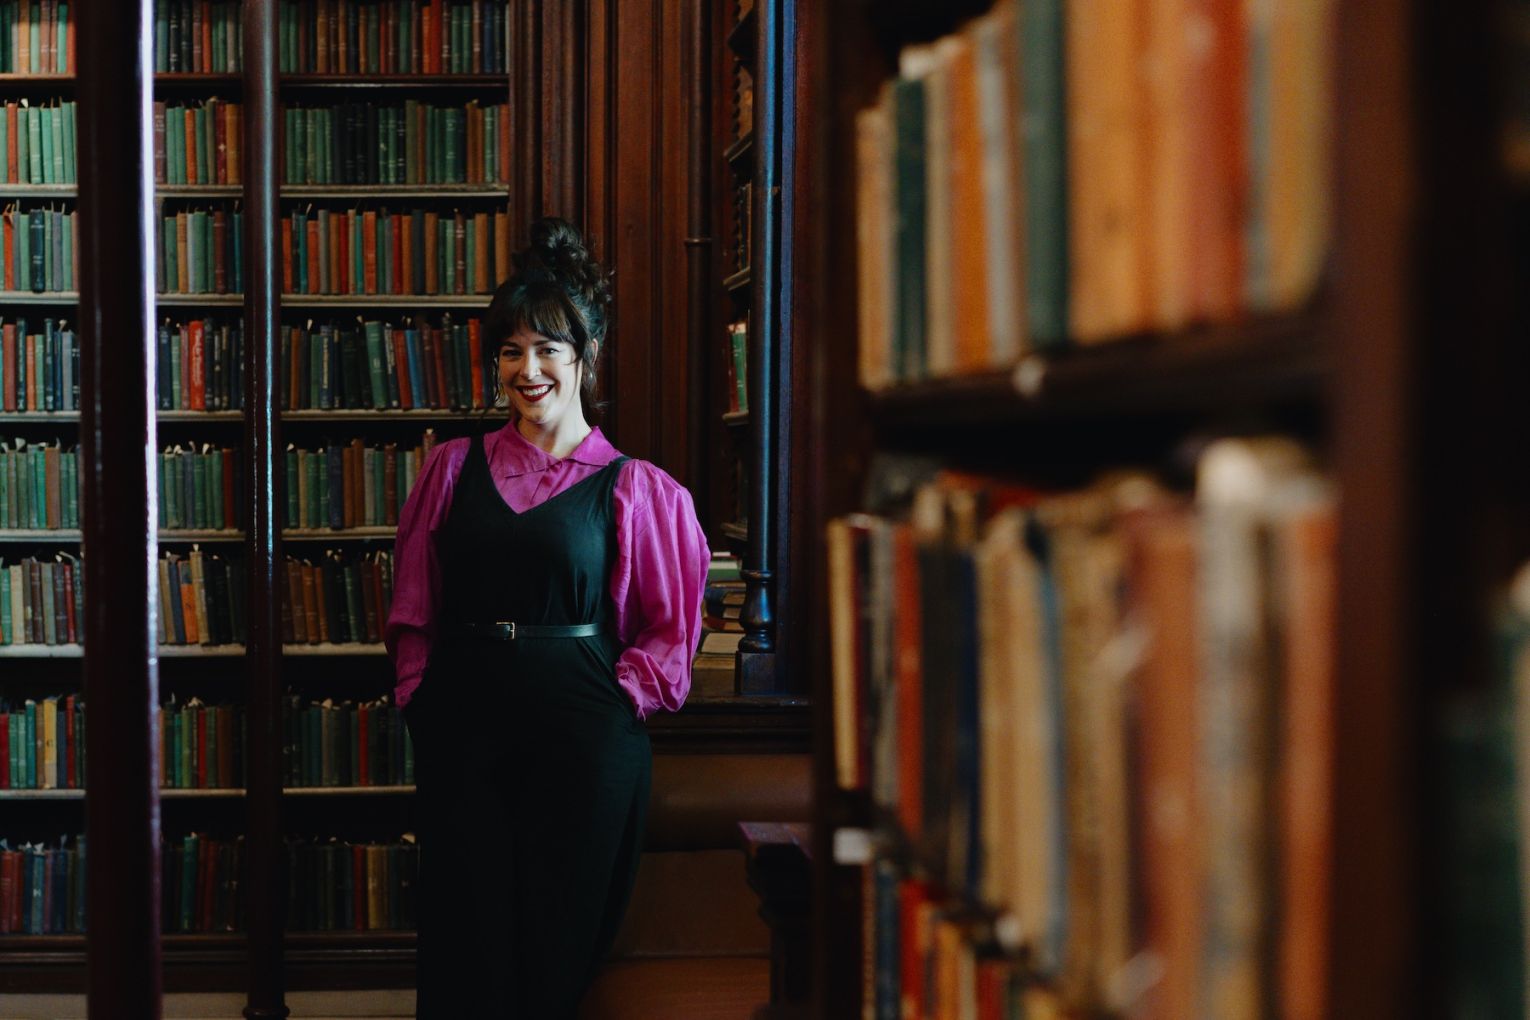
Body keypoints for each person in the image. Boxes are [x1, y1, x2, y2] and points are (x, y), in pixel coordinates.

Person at [384, 216, 710, 1018]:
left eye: (546, 350)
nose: (525, 370)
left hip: (584, 731)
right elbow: (415, 599)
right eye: (509, 351)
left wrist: (618, 699)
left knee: (559, 931)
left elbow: (671, 628)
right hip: (464, 718)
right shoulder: (450, 467)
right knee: (466, 929)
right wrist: (418, 691)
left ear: (583, 359)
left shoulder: (640, 489)